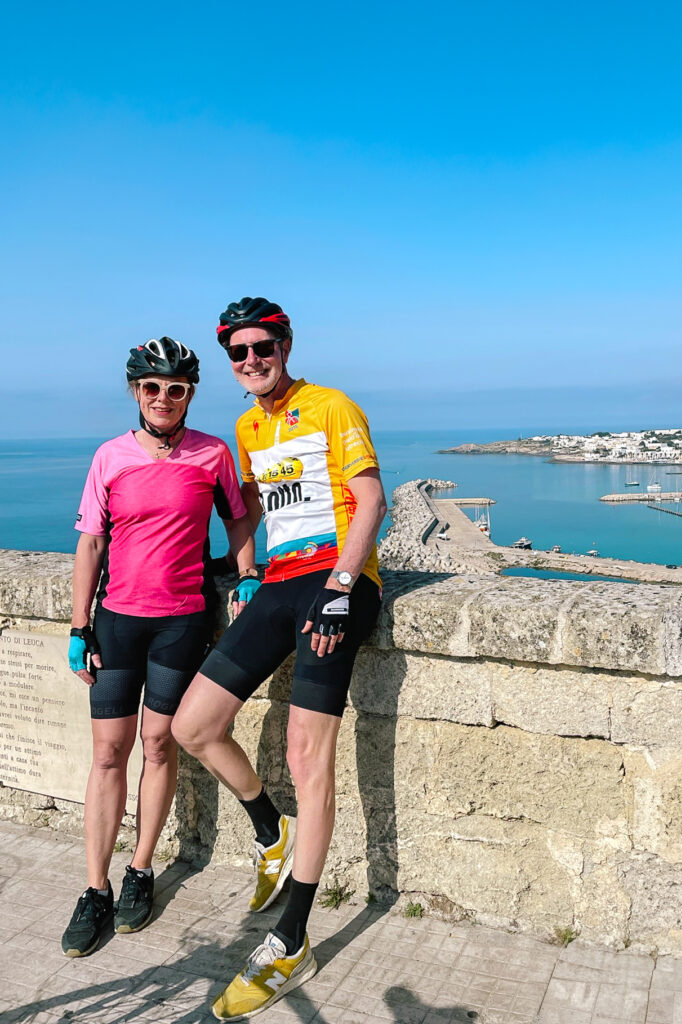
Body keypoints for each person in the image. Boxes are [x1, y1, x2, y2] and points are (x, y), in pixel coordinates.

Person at [171, 297, 387, 1019]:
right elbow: (262, 503)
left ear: (286, 345)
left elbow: (369, 497)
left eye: (263, 347)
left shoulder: (332, 405)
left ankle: (292, 937)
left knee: (306, 755)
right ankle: (272, 829)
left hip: (334, 585)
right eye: (238, 352)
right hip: (279, 581)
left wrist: (341, 588)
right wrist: (241, 571)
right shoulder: (247, 423)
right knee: (192, 726)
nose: (251, 360)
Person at [63, 337, 256, 958]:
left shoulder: (212, 453)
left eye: (176, 389)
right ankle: (95, 888)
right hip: (117, 621)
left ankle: (140, 870)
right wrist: (77, 625)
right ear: (136, 393)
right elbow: (91, 544)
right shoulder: (110, 457)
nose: (164, 398)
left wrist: (248, 574)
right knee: (109, 751)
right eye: (153, 388)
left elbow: (238, 516)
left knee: (157, 744)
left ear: (189, 395)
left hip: (183, 621)